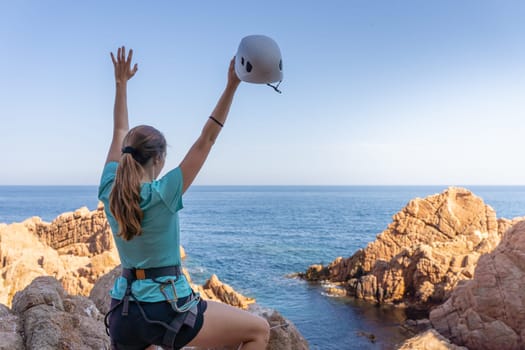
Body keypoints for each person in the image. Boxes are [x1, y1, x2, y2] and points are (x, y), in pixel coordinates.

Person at [98, 46, 270, 350]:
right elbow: (207, 139)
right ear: (159, 160)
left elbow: (119, 129)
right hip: (166, 312)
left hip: (123, 316)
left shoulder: (109, 188)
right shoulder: (164, 193)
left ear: (127, 155)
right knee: (259, 330)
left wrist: (121, 83)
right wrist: (231, 86)